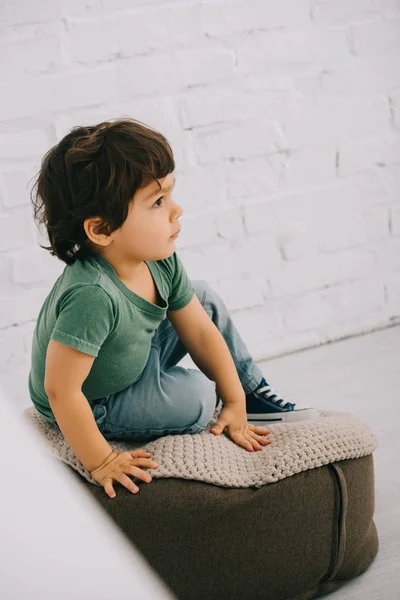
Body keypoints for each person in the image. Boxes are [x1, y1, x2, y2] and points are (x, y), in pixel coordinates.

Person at [28, 118, 319, 499]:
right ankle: (172, 395)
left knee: (204, 299)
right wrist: (101, 461)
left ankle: (252, 392)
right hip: (96, 398)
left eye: (169, 195)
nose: (176, 210)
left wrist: (233, 400)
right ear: (101, 230)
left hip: (126, 353)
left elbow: (199, 330)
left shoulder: (160, 260)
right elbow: (61, 391)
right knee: (198, 397)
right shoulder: (92, 296)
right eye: (157, 202)